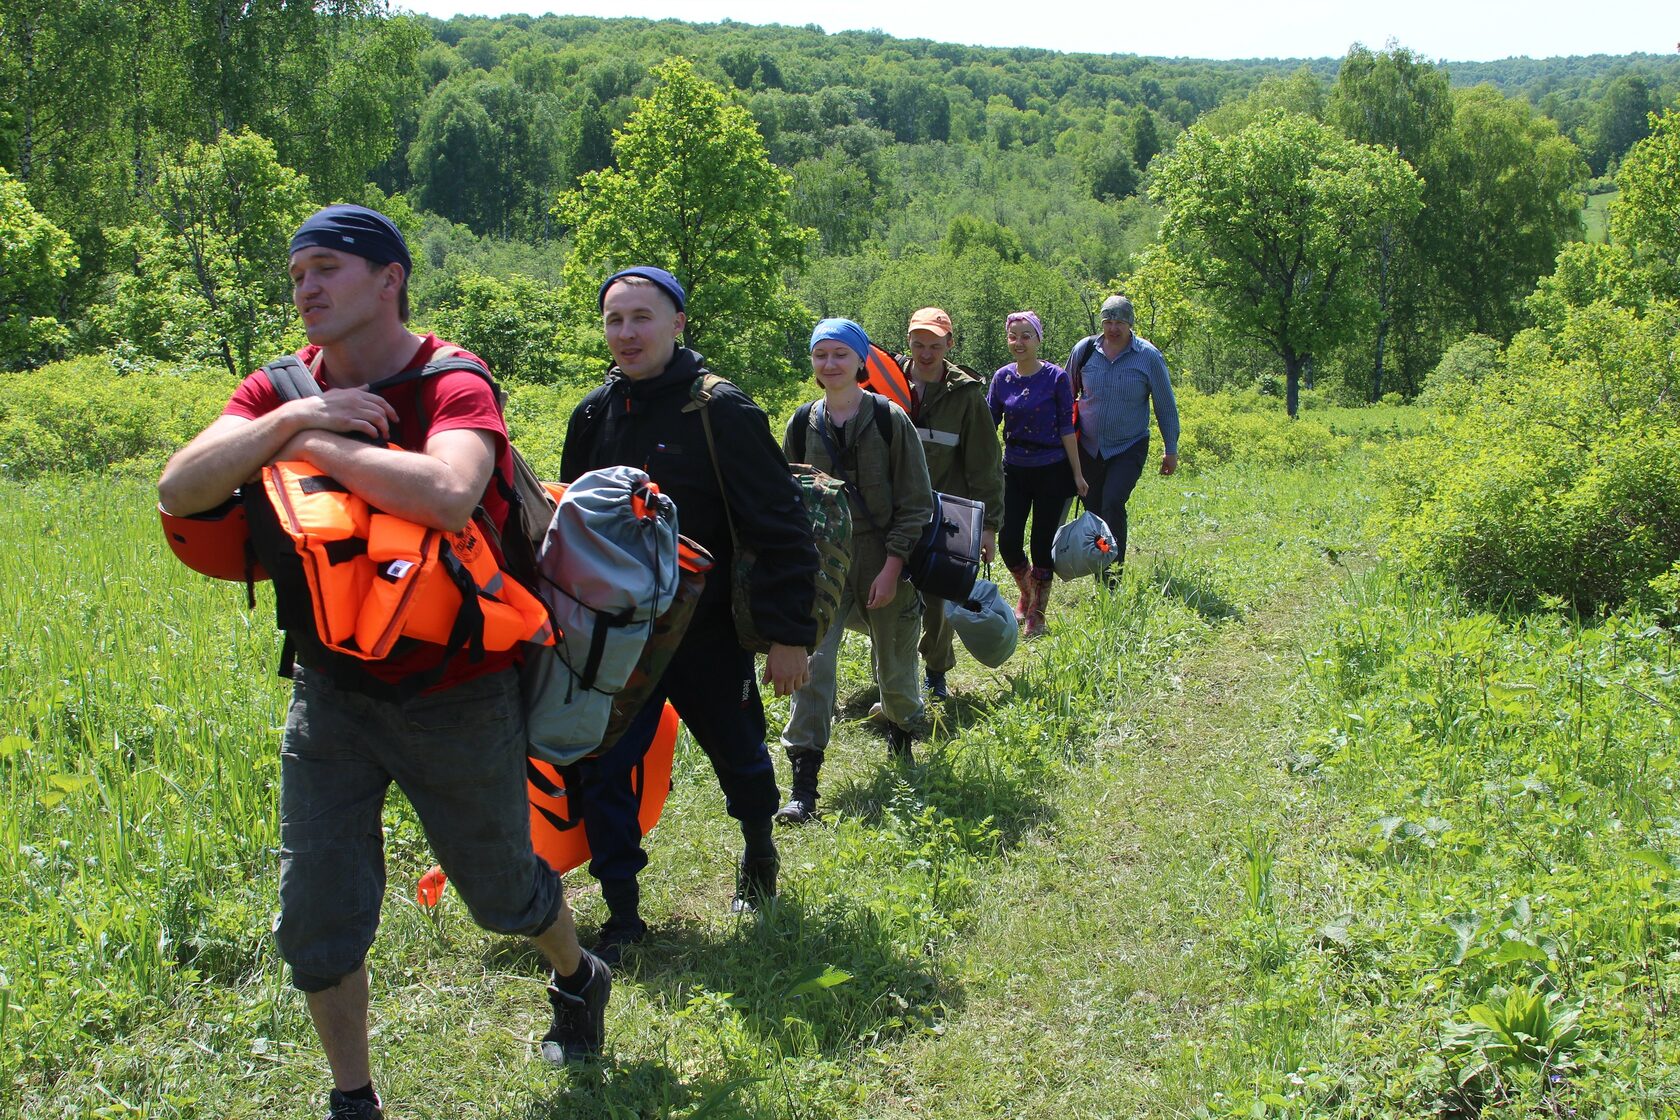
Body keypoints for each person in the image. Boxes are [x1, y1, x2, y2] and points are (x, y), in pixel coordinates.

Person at [156, 205, 606, 1120]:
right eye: (296, 275)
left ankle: (577, 970)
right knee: (316, 918)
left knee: (501, 895)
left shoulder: (451, 379)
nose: (306, 289)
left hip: (457, 695)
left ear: (388, 278)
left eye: (325, 268)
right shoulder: (280, 387)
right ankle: (353, 1100)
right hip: (331, 694)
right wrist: (307, 415)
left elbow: (448, 493)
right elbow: (180, 485)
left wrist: (307, 442)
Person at [559, 267, 819, 962]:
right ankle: (621, 916)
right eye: (615, 320)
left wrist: (790, 636)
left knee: (740, 758)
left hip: (706, 637)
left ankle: (759, 850)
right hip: (616, 644)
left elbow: (782, 527)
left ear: (678, 324)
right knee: (603, 768)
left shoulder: (721, 413)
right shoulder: (593, 416)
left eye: (641, 318)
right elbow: (569, 529)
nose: (626, 333)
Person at [777, 318, 935, 825]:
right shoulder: (803, 424)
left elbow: (915, 504)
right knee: (813, 667)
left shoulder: (890, 420)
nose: (830, 364)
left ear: (860, 361)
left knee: (894, 665)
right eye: (821, 355)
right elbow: (787, 501)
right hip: (822, 566)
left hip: (884, 556)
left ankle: (903, 744)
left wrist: (892, 567)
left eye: (840, 355)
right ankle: (803, 788)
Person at [898, 307, 1003, 699]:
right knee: (889, 597)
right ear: (908, 342)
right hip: (892, 511)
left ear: (949, 345)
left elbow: (986, 466)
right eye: (918, 344)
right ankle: (893, 672)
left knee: (938, 601)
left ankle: (936, 673)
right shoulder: (885, 382)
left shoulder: (966, 396)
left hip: (947, 516)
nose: (926, 354)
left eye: (935, 346)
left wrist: (989, 527)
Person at [987, 311, 1087, 638]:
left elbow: (1066, 427)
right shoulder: (1002, 378)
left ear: (1038, 339)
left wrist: (1077, 474)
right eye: (1013, 336)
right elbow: (988, 426)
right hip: (1014, 469)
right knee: (1009, 541)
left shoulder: (1056, 378)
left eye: (1026, 335)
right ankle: (1028, 592)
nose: (1019, 342)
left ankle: (1037, 614)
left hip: (1052, 471)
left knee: (1042, 545)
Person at [1067, 295, 1179, 581]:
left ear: (1130, 324)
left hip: (1129, 445)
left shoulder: (1148, 356)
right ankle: (1099, 569)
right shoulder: (1085, 350)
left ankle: (1113, 576)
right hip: (1088, 446)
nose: (1113, 328)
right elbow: (1064, 395)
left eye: (1120, 322)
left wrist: (1171, 448)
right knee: (1093, 509)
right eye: (1108, 321)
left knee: (1113, 502)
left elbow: (1164, 404)